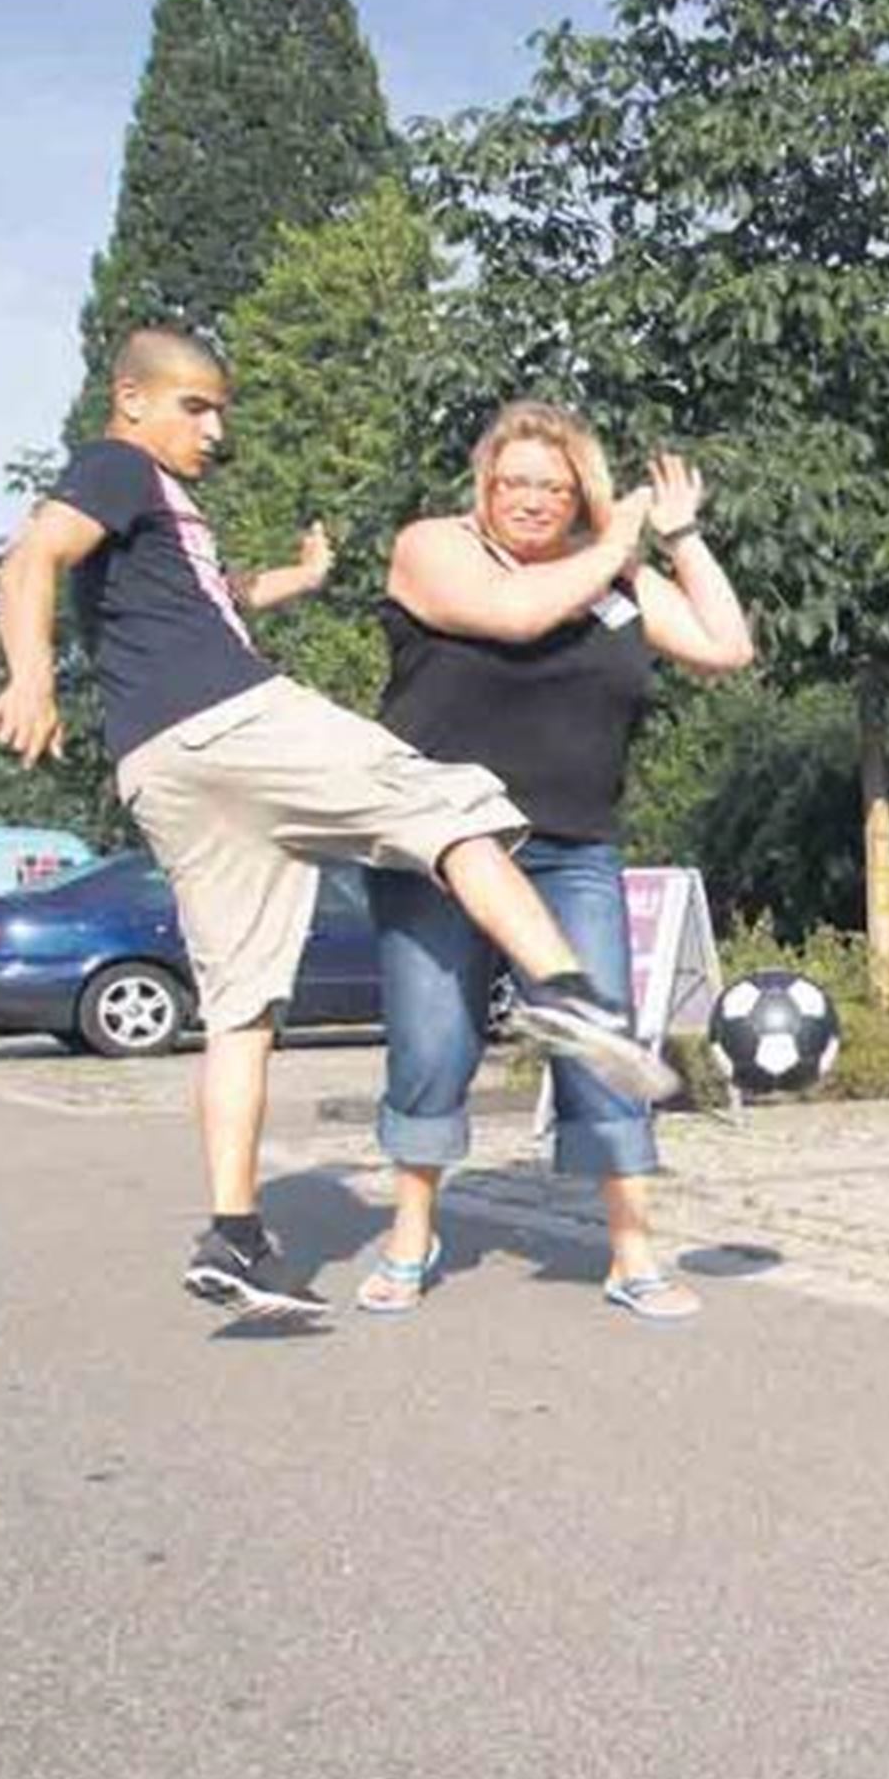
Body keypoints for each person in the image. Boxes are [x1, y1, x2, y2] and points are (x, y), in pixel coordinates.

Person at [0, 331, 678, 1317]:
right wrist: (29, 674)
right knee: (455, 803)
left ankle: (232, 1236)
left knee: (239, 1007)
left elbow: (213, 601)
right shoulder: (116, 465)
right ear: (130, 398)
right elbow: (31, 560)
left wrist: (296, 581)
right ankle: (566, 995)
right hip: (234, 720)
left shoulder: (162, 516)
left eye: (221, 410)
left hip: (157, 764)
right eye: (195, 408)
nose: (215, 432)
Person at [356, 400, 754, 1320]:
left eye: (554, 484)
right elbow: (515, 614)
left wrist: (682, 539)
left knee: (602, 1035)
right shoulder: (435, 546)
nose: (533, 499)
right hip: (437, 846)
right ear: (485, 486)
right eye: (515, 482)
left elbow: (726, 647)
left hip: (572, 847)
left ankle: (632, 1252)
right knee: (433, 1041)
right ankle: (412, 1231)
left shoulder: (618, 583)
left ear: (582, 491)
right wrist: (616, 540)